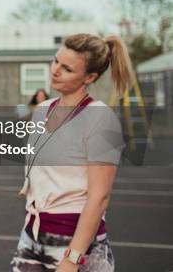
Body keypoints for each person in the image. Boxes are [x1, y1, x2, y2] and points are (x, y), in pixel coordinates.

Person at [10, 34, 132, 272]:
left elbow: (99, 197)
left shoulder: (100, 118)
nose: (55, 71)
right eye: (56, 61)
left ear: (90, 77)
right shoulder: (43, 109)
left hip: (75, 242)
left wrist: (72, 258)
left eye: (67, 68)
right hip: (33, 233)